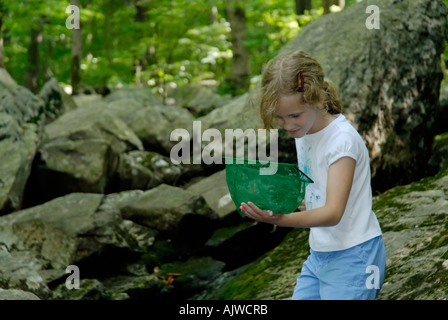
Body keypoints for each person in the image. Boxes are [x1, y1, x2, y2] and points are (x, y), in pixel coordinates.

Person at [240, 50, 386, 300]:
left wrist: (280, 219)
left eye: (295, 115)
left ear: (318, 98)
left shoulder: (341, 142)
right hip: (320, 254)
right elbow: (314, 197)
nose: (288, 126)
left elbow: (332, 213)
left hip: (354, 256)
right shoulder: (304, 132)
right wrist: (275, 200)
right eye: (279, 118)